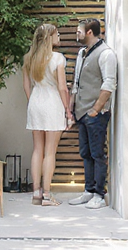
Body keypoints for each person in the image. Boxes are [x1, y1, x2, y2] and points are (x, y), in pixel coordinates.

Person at [68, 18, 117, 210]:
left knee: (98, 154)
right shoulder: (82, 53)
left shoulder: (106, 54)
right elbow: (76, 83)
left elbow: (109, 84)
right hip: (81, 112)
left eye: (79, 31)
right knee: (85, 153)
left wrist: (96, 109)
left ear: (89, 32)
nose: (76, 34)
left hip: (96, 113)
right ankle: (88, 190)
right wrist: (71, 109)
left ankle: (99, 194)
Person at [23, 22, 72, 205]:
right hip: (52, 103)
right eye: (56, 34)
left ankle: (36, 193)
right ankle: (46, 194)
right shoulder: (58, 58)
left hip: (36, 101)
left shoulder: (29, 58)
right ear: (49, 38)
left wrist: (33, 102)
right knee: (50, 151)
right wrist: (68, 110)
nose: (59, 37)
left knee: (37, 149)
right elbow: (62, 87)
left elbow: (26, 86)